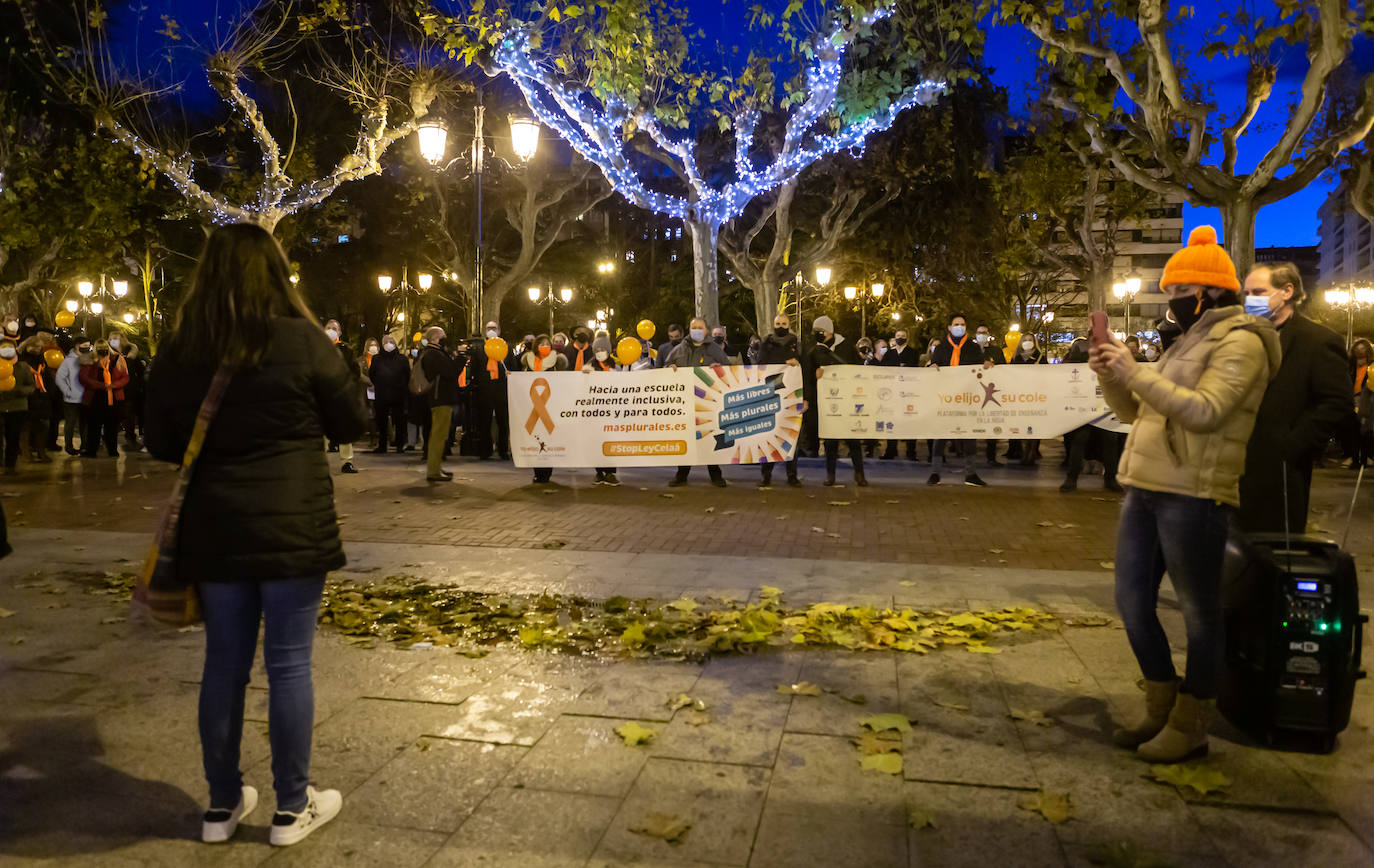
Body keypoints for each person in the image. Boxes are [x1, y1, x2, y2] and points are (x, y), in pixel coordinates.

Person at [145, 222, 366, 847]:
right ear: (275, 273)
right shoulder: (303, 339)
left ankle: (221, 805)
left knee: (224, 664)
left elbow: (160, 439)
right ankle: (292, 808)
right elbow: (352, 420)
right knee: (290, 664)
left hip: (216, 525)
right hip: (294, 521)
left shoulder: (185, 347)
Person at [1092, 225, 1279, 763]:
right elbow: (1138, 412)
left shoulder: (1243, 342)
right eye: (1170, 292)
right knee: (1131, 601)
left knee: (1200, 614)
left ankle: (1192, 722)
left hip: (1195, 493)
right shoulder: (1187, 341)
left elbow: (1205, 411)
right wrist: (1113, 376)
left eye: (1179, 292)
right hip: (1145, 486)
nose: (1171, 301)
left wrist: (1135, 371)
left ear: (1211, 292)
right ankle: (1161, 703)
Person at [1237, 263, 1352, 533]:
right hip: (1234, 466)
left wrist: (1291, 446)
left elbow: (1337, 402)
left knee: (1274, 547)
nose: (1250, 300)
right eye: (1247, 293)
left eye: (1259, 292)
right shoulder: (1242, 336)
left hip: (1280, 472)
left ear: (1287, 291)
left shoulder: (1317, 340)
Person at [927, 314, 991, 487]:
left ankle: (971, 474)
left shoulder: (973, 348)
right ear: (949, 327)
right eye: (956, 324)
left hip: (966, 398)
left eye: (962, 324)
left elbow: (980, 371)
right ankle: (935, 473)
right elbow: (933, 368)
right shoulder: (941, 348)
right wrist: (932, 367)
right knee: (940, 436)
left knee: (969, 436)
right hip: (945, 399)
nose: (959, 327)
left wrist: (986, 368)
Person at [664, 317, 730, 487]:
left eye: (700, 328)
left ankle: (715, 475)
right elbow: (664, 369)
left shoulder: (715, 350)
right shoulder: (678, 350)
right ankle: (682, 474)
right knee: (685, 438)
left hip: (708, 403)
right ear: (689, 329)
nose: (697, 331)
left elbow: (728, 370)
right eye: (694, 327)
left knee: (709, 438)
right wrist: (669, 369)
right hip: (684, 402)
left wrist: (720, 369)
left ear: (706, 330)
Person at [806, 316, 867, 487]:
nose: (818, 334)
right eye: (815, 331)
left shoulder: (846, 346)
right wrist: (815, 375)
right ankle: (830, 475)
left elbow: (859, 368)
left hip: (848, 400)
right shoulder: (814, 351)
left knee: (853, 440)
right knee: (830, 441)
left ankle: (859, 474)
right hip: (828, 403)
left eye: (821, 331)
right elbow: (808, 376)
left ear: (830, 331)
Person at [1060, 337, 1121, 492]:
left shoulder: (1112, 347)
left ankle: (1110, 478)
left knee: (1111, 440)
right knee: (1079, 439)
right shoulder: (1081, 346)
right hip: (1085, 403)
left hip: (1105, 404)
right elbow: (1072, 367)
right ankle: (1071, 478)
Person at [757, 313, 803, 488]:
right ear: (773, 325)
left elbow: (804, 366)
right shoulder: (766, 343)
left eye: (784, 323)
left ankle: (792, 475)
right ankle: (766, 474)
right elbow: (761, 363)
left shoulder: (797, 344)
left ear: (789, 325)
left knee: (792, 436)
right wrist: (785, 362)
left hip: (792, 396)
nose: (781, 326)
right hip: (771, 395)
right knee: (769, 436)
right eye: (778, 323)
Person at [520, 334, 568, 484]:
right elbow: (521, 380)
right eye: (541, 344)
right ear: (536, 346)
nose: (544, 347)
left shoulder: (557, 362)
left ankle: (547, 472)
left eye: (547, 344)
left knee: (548, 438)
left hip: (550, 406)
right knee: (535, 438)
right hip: (533, 407)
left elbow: (565, 380)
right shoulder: (528, 361)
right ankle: (537, 472)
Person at [419, 327, 462, 482]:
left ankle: (436, 467)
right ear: (435, 338)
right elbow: (450, 372)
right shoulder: (434, 354)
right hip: (441, 398)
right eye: (443, 336)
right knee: (438, 435)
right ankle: (433, 471)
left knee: (439, 434)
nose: (445, 339)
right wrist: (460, 358)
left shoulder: (432, 353)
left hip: (439, 398)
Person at [78, 338, 129, 458]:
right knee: (93, 426)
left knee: (112, 426)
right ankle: (92, 450)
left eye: (105, 347)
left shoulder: (117, 359)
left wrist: (114, 385)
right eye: (100, 348)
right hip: (95, 396)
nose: (103, 350)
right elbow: (83, 377)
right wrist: (101, 385)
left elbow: (125, 377)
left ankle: (112, 450)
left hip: (113, 396)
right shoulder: (90, 359)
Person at [322, 320, 358, 474]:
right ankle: (320, 462)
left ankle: (347, 462)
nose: (331, 330)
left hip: (340, 394)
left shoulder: (346, 350)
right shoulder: (317, 348)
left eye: (334, 328)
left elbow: (355, 372)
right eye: (328, 328)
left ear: (340, 332)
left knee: (344, 429)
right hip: (322, 394)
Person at [1004, 334, 1045, 466]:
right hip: (1019, 396)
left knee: (1034, 425)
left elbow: (1048, 376)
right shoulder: (1016, 358)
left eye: (1030, 340)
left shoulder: (1040, 357)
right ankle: (1019, 450)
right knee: (1020, 424)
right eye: (1025, 340)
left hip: (1035, 396)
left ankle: (1032, 452)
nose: (1027, 342)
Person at [586, 336, 621, 485]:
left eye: (603, 349)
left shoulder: (616, 368)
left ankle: (610, 472)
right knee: (596, 441)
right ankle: (599, 472)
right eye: (597, 350)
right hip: (595, 411)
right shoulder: (589, 368)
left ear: (609, 351)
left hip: (612, 411)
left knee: (611, 440)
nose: (600, 352)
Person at [880, 328, 920, 461]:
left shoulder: (913, 353)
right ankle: (891, 450)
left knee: (910, 421)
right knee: (892, 420)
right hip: (892, 392)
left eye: (903, 336)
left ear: (907, 338)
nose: (900, 338)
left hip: (909, 393)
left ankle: (911, 451)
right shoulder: (889, 354)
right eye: (898, 335)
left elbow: (913, 369)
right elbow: (884, 369)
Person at [368, 334, 410, 454]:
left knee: (400, 421)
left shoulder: (402, 359)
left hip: (398, 394)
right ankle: (382, 445)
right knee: (381, 421)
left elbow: (407, 374)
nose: (388, 344)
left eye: (391, 341)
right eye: (385, 342)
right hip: (382, 394)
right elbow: (372, 374)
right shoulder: (376, 359)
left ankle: (399, 444)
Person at [0, 336, 35, 474]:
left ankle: (10, 465)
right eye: (3, 347)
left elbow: (31, 386)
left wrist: (21, 391)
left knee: (13, 437)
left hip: (17, 407)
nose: (7, 350)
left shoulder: (23, 366)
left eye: (9, 347)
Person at [18, 336, 54, 463]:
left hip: (42, 398)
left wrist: (50, 392)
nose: (37, 349)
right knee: (25, 427)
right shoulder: (21, 361)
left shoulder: (42, 361)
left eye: (39, 347)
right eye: (34, 346)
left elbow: (48, 377)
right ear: (27, 346)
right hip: (27, 398)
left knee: (43, 426)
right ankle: (26, 453)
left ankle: (41, 451)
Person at [57, 338, 88, 455]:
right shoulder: (68, 361)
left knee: (84, 423)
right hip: (71, 399)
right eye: (84, 346)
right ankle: (69, 446)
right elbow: (60, 377)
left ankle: (85, 445)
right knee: (70, 423)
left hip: (86, 398)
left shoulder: (89, 359)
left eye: (88, 346)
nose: (87, 348)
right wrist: (67, 391)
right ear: (77, 346)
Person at [1352, 338, 1373, 469]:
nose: (1360, 351)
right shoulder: (1352, 368)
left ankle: (1365, 459)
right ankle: (1355, 459)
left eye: (1363, 349)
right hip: (1353, 402)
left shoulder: (1371, 368)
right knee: (1355, 432)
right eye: (1358, 349)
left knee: (1365, 431)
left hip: (1365, 402)